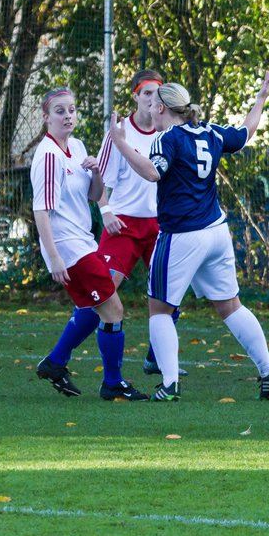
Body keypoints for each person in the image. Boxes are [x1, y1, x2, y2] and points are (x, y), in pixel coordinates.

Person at [109, 73, 269, 401]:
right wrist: (260, 99)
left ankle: (170, 385)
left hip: (182, 236)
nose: (148, 107)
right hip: (216, 233)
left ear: (162, 108)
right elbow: (245, 133)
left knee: (159, 310)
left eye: (153, 103)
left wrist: (120, 143)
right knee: (231, 306)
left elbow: (152, 172)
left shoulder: (168, 138)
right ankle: (268, 372)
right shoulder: (211, 131)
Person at [30, 87, 146, 400]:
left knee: (95, 308)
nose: (67, 116)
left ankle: (55, 362)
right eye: (59, 111)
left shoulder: (77, 146)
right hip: (68, 247)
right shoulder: (49, 156)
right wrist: (54, 257)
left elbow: (94, 196)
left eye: (71, 110)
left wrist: (95, 172)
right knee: (113, 309)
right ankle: (112, 384)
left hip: (83, 241)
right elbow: (41, 210)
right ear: (45, 117)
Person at [94, 69, 185, 378]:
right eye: (145, 93)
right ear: (134, 95)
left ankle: (156, 358)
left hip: (160, 224)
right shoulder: (119, 133)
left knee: (170, 293)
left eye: (156, 94)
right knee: (102, 291)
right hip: (124, 224)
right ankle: (59, 358)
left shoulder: (168, 132)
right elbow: (99, 181)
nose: (151, 99)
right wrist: (106, 212)